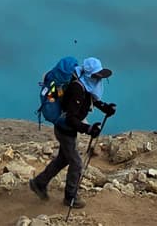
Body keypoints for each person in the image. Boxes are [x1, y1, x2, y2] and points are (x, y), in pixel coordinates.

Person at [29, 58, 115, 209]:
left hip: (68, 129)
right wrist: (88, 129)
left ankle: (39, 183)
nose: (98, 78)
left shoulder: (84, 84)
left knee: (64, 159)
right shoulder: (77, 89)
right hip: (65, 131)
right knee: (76, 163)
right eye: (96, 75)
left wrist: (105, 107)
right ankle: (70, 197)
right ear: (89, 75)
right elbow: (71, 119)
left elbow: (89, 99)